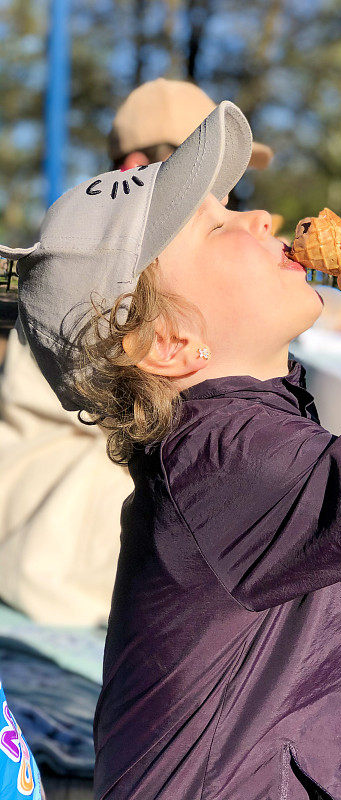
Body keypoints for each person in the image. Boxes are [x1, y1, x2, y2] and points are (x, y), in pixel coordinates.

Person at [0, 101, 341, 800]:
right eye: (217, 224)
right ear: (169, 344)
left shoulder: (231, 438)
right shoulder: (232, 461)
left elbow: (308, 665)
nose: (262, 218)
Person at [0, 78, 273, 627]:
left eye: (226, 197)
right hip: (64, 563)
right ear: (132, 169)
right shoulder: (97, 274)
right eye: (200, 194)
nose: (227, 208)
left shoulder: (105, 257)